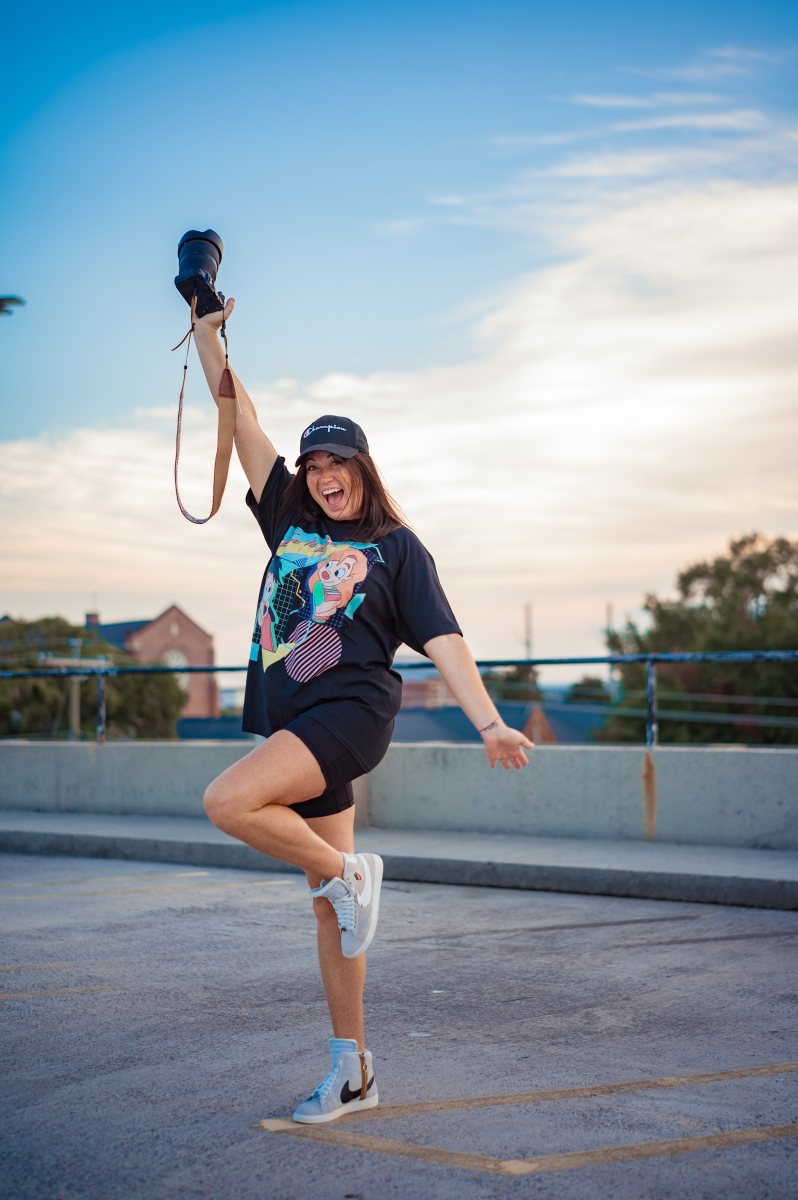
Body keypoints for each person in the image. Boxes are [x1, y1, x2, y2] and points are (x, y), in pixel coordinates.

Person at [193, 297, 533, 1124]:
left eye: (337, 462)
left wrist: (489, 722)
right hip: (296, 721)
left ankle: (352, 872)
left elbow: (443, 637)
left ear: (364, 468)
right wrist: (207, 333)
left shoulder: (396, 548)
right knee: (332, 913)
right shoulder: (291, 520)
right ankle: (354, 1072)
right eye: (313, 465)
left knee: (228, 802)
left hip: (349, 713)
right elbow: (242, 420)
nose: (323, 476)